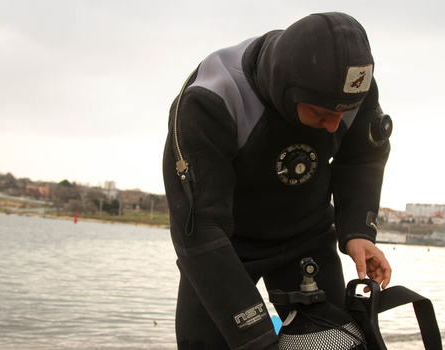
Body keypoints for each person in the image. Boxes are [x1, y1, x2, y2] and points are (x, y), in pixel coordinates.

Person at [163, 12, 392, 350]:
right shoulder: (212, 99)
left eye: (342, 115)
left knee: (337, 343)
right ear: (289, 90)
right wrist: (257, 338)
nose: (334, 126)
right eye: (323, 114)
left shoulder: (353, 90)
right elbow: (198, 228)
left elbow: (361, 157)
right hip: (221, 244)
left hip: (305, 233)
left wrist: (358, 231)